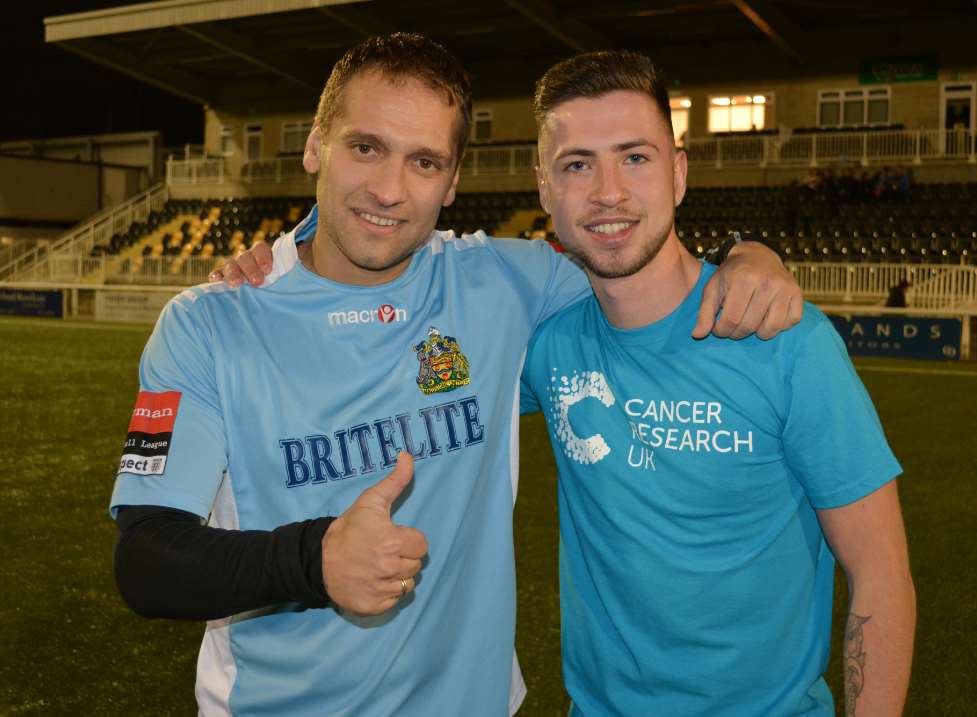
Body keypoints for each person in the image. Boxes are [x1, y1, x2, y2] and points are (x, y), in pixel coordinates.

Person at [114, 34, 802, 716]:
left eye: (423, 161)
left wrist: (742, 252)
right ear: (316, 145)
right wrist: (314, 558)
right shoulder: (209, 323)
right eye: (365, 147)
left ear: (451, 181)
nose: (388, 188)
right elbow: (147, 560)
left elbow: (645, 273)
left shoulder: (503, 283)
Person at [518, 51, 915, 716]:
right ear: (543, 188)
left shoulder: (784, 338)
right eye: (577, 164)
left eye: (634, 157)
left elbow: (880, 578)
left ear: (677, 172)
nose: (607, 191)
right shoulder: (546, 344)